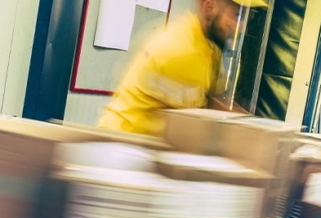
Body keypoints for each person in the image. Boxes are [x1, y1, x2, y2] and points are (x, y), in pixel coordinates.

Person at [98, 0, 268, 136]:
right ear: (209, 6)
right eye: (236, 15)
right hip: (120, 148)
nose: (242, 28)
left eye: (247, 18)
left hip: (140, 150)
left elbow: (213, 100)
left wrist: (258, 127)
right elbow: (194, 127)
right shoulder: (181, 51)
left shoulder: (207, 47)